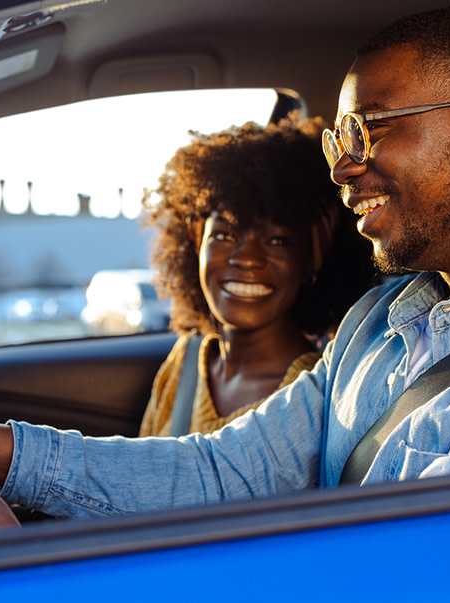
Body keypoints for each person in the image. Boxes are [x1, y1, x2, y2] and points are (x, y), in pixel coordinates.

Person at [0, 5, 450, 529]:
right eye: (336, 141)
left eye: (365, 130)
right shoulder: (383, 317)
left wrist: (34, 570)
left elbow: (402, 569)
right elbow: (225, 472)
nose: (342, 167)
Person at [137, 118, 373, 437]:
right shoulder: (189, 358)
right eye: (224, 235)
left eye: (277, 240)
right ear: (196, 239)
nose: (247, 258)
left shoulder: (316, 390)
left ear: (313, 255)